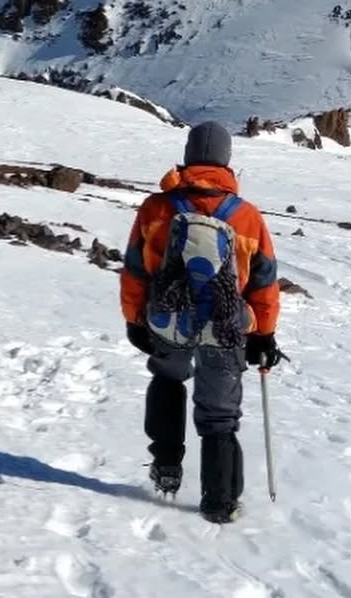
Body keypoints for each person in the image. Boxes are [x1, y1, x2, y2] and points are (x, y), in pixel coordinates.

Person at [120, 120, 280, 522]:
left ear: (189, 155)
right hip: (225, 329)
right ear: (227, 161)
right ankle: (221, 503)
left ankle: (167, 467)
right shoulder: (247, 217)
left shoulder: (157, 208)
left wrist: (135, 319)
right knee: (220, 416)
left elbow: (136, 270)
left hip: (169, 320)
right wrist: (264, 334)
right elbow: (263, 281)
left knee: (168, 380)